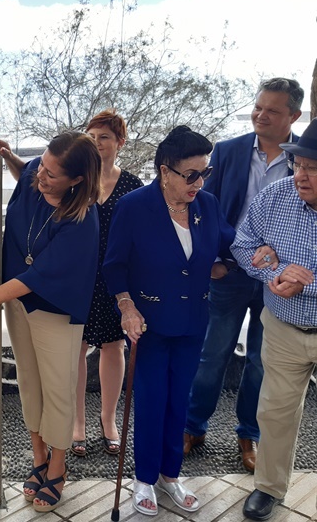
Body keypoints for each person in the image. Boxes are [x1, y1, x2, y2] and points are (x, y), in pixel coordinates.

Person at [0, 132, 100, 513]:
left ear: (76, 180)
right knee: (29, 381)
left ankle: (58, 467)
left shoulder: (81, 220)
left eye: (51, 174)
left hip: (55, 308)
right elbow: (26, 170)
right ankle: (39, 457)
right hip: (17, 303)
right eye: (41, 165)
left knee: (57, 388)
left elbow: (38, 275)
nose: (40, 176)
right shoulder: (34, 175)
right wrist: (10, 158)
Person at [102, 126, 235, 516]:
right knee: (151, 401)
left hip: (193, 321)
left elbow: (232, 243)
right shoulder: (134, 206)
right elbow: (114, 266)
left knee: (179, 400)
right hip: (149, 324)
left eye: (204, 173)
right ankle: (144, 478)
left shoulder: (207, 205)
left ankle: (169, 475)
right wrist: (127, 307)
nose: (199, 183)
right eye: (190, 175)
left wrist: (228, 264)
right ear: (165, 171)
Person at [184, 78, 304, 472]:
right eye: (258, 106)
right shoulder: (228, 151)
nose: (261, 115)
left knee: (261, 362)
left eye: (272, 110)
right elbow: (203, 207)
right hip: (230, 271)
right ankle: (193, 426)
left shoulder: (304, 159)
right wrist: (211, 261)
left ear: (293, 116)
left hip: (280, 280)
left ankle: (248, 435)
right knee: (211, 354)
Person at [232, 118, 317, 521]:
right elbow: (242, 244)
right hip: (282, 328)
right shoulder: (276, 195)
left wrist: (306, 282)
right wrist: (277, 272)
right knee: (274, 412)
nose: (300, 174)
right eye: (299, 164)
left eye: (312, 168)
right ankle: (268, 488)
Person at [72, 110, 143, 458]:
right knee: (76, 347)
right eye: (92, 137)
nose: (98, 143)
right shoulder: (75, 180)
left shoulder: (133, 185)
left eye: (105, 137)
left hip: (117, 279)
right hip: (78, 276)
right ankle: (77, 424)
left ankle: (108, 419)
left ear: (120, 142)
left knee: (113, 347)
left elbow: (142, 236)